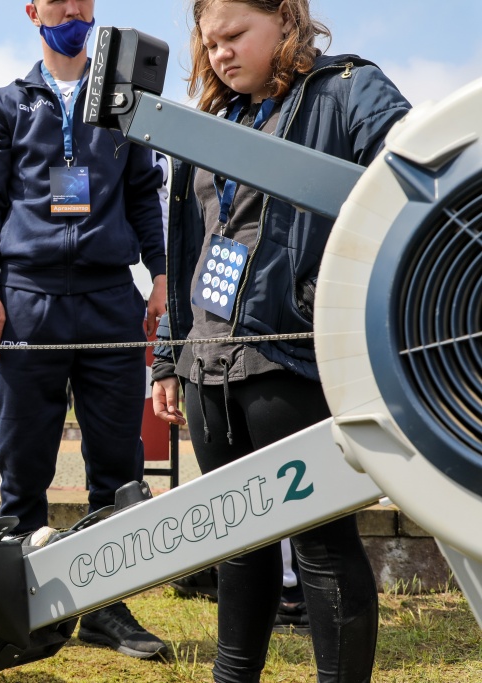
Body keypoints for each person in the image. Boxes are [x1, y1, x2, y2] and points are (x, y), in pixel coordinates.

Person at [151, 1, 410, 680]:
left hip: (296, 362)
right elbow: (187, 253)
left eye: (235, 35)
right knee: (238, 541)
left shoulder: (349, 90)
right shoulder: (207, 126)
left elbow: (419, 174)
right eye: (210, 44)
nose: (221, 54)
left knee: (323, 542)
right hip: (208, 368)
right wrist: (168, 356)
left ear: (286, 20)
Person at [0, 0, 169, 660]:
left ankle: (108, 607)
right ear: (32, 10)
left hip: (112, 299)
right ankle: (27, 607)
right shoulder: (7, 104)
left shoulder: (123, 101)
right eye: (57, 0)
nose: (71, 9)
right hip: (28, 300)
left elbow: (144, 191)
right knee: (24, 463)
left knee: (116, 464)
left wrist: (161, 273)